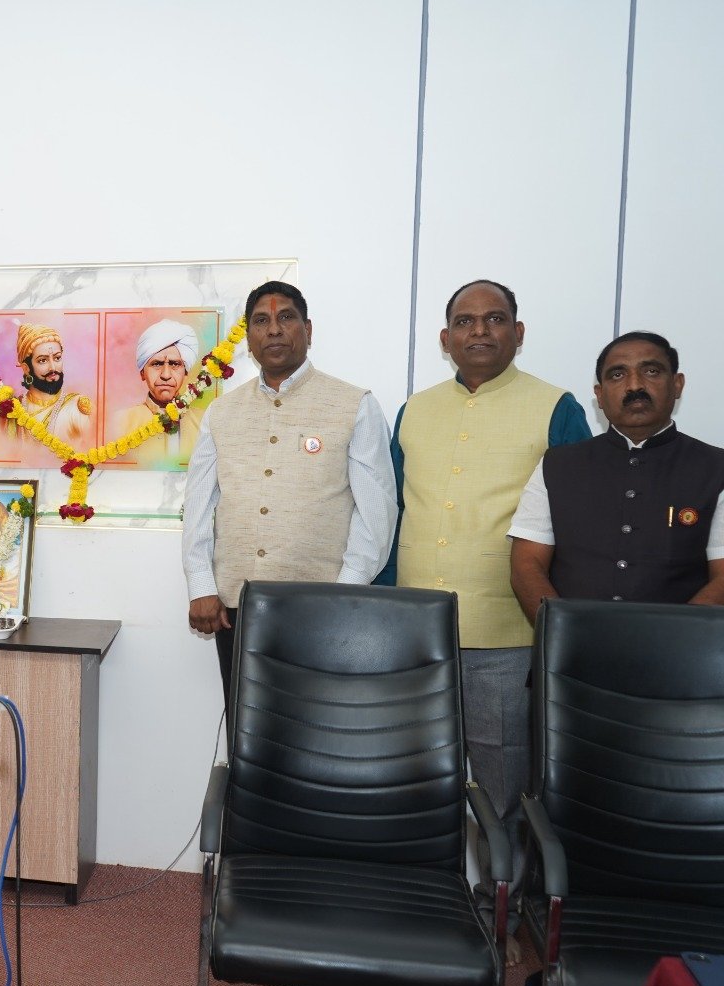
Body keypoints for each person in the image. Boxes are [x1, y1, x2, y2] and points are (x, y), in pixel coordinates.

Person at [380, 279, 591, 943]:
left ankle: (503, 914)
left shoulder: (556, 408)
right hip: (415, 638)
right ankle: (426, 898)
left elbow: (576, 525)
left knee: (504, 791)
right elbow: (390, 516)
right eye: (465, 321)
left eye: (495, 319)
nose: (480, 331)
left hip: (505, 635)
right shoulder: (414, 411)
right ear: (445, 339)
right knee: (415, 782)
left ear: (517, 333)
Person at [182, 280, 397, 711]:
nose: (274, 330)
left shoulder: (354, 404)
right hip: (236, 608)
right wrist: (201, 585)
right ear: (249, 338)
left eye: (286, 318)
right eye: (261, 321)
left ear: (308, 329)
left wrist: (343, 596)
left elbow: (377, 513)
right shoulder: (221, 412)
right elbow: (199, 506)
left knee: (316, 728)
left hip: (322, 610)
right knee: (247, 730)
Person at [511, 330, 724, 617]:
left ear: (677, 384)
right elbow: (526, 566)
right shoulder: (556, 465)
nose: (635, 385)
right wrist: (563, 632)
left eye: (651, 371)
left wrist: (676, 637)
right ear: (599, 395)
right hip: (573, 642)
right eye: (617, 375)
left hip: (681, 643)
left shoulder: (715, 467)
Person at [108, 318, 206, 466]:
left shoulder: (204, 423)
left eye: (174, 364)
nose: (166, 375)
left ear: (185, 371)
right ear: (142, 373)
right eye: (157, 364)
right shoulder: (119, 423)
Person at [10, 322, 92, 448]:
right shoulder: (13, 409)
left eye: (57, 358)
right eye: (43, 360)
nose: (53, 368)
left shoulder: (77, 407)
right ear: (26, 368)